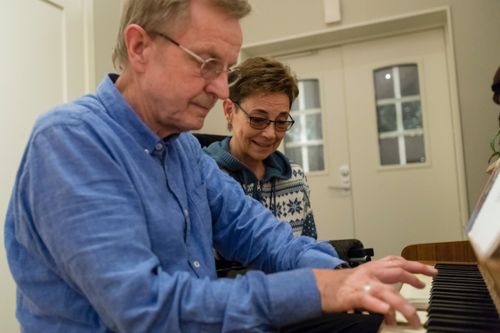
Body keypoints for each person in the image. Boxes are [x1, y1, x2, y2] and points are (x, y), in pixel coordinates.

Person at [4, 0, 437, 332]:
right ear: (140, 47)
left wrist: (345, 275)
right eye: (207, 63)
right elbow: (144, 310)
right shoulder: (71, 142)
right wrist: (319, 288)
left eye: (226, 68)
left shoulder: (184, 150)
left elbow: (258, 233)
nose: (219, 88)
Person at [204, 56, 317, 239]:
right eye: (257, 119)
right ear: (229, 111)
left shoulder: (295, 178)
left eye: (281, 122)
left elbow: (308, 246)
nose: (270, 134)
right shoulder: (204, 175)